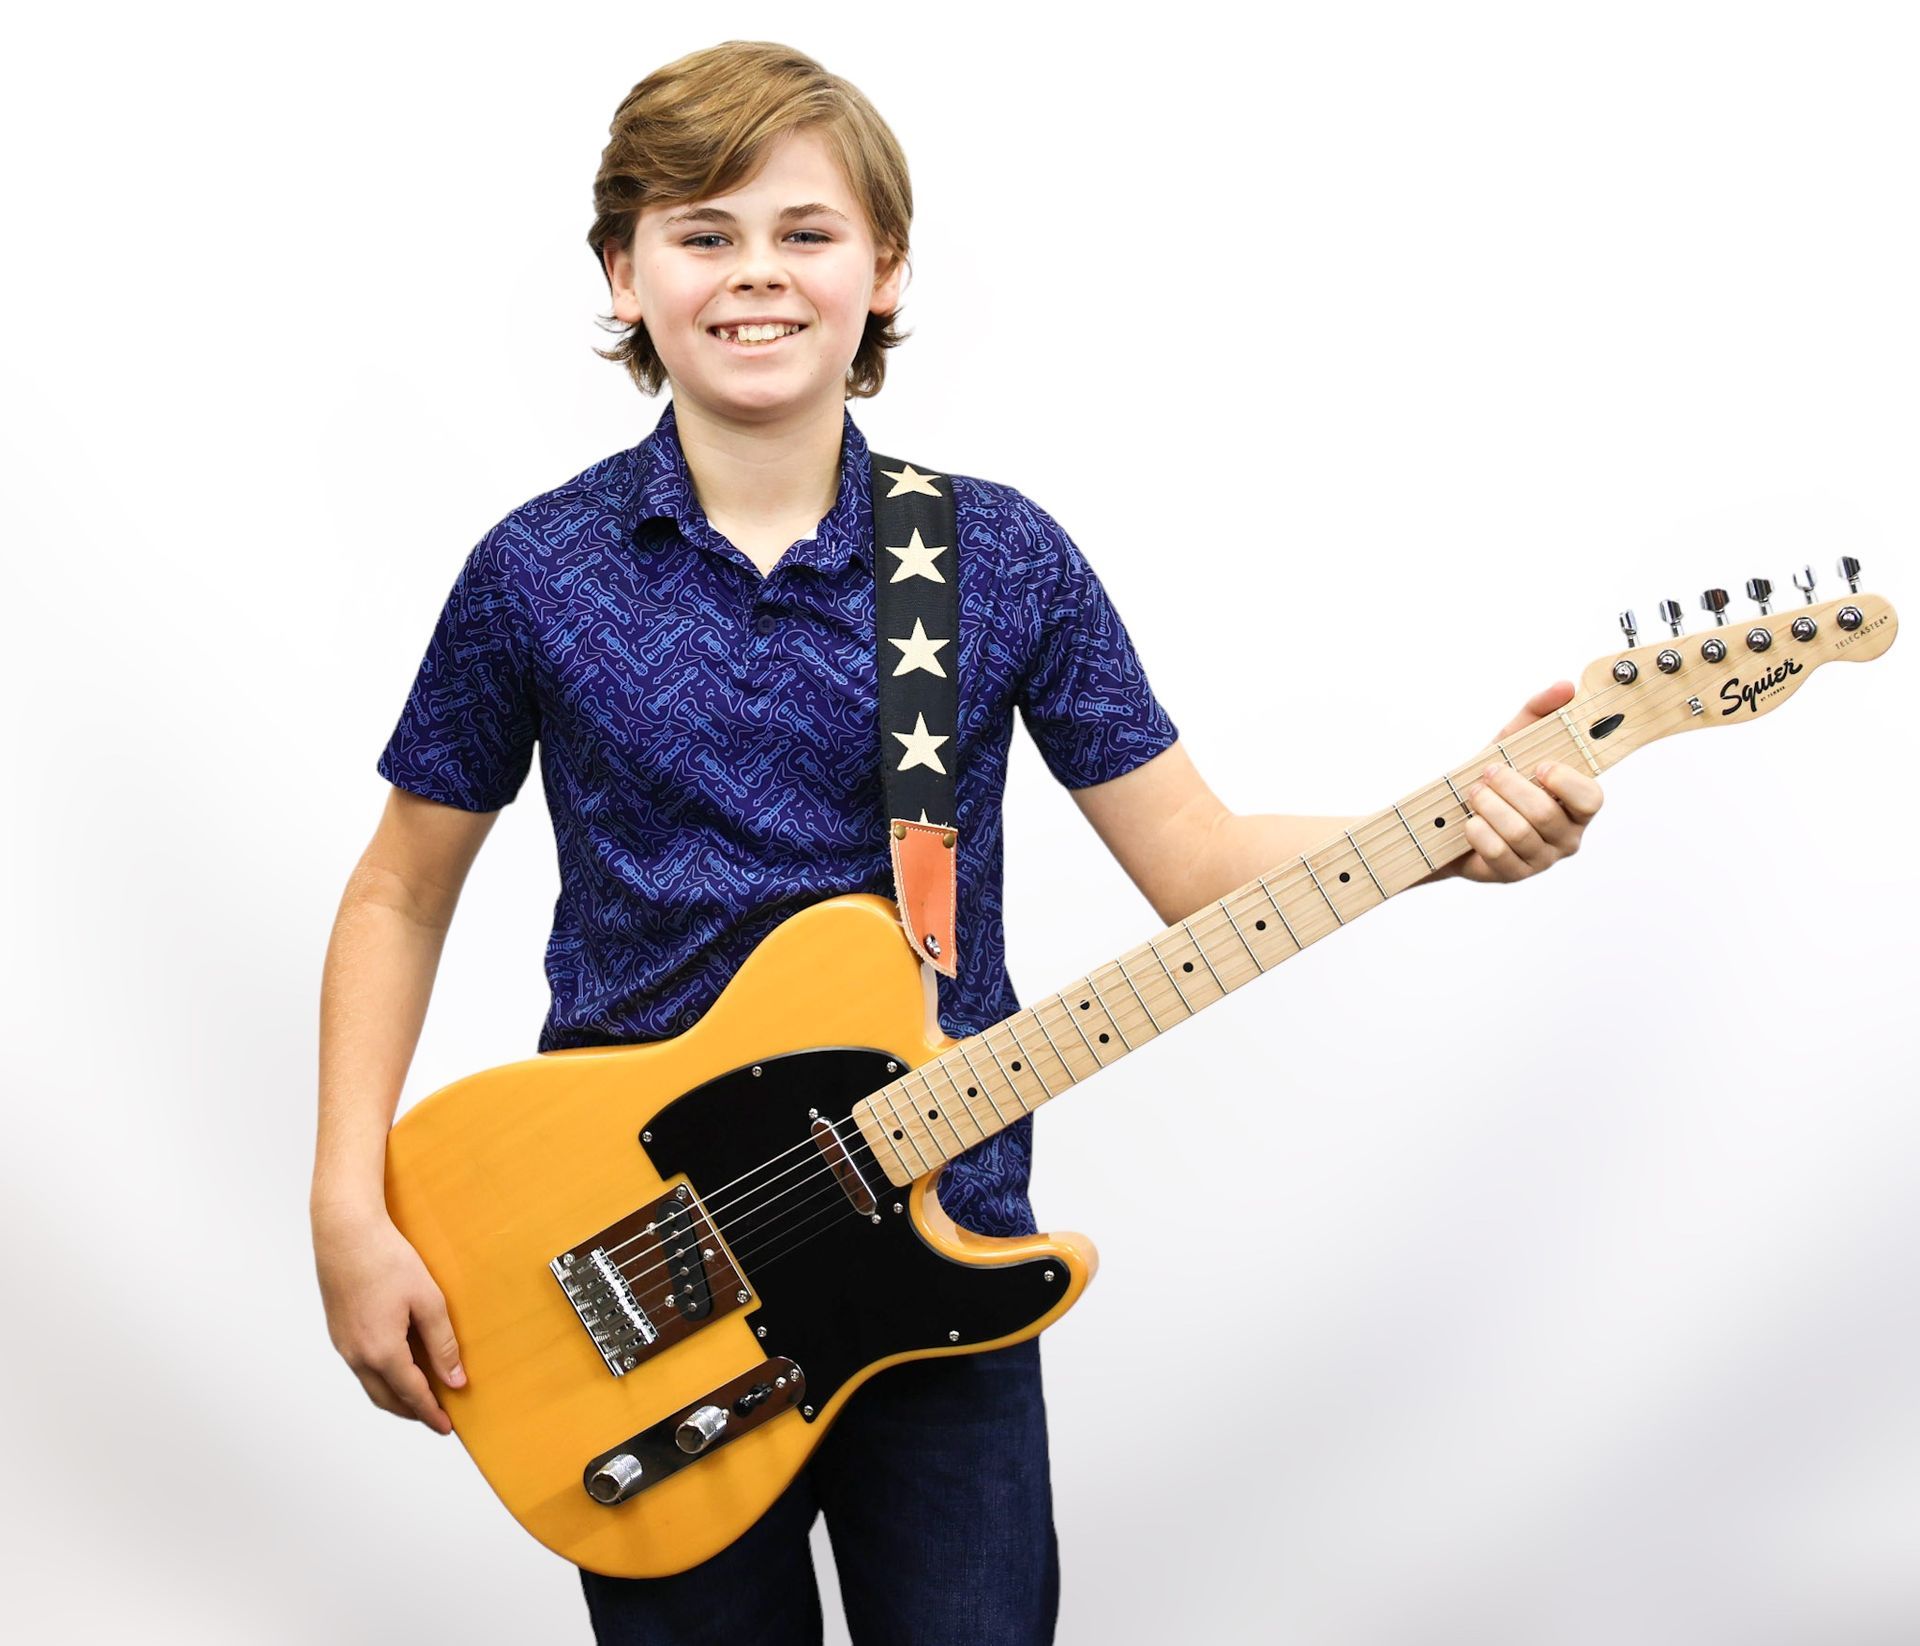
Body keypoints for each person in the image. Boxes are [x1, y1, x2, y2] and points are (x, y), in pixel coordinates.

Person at [310, 39, 1605, 1646]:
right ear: (622, 274)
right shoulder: (534, 572)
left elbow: (1196, 857)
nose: (756, 276)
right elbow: (397, 889)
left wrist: (1446, 831)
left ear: (886, 269)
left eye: (806, 231)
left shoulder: (994, 556)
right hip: (636, 1270)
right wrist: (347, 1207)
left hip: (942, 1247)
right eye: (703, 234)